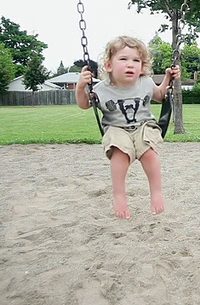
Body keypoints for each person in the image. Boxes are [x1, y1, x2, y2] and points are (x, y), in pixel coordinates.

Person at [76, 35, 180, 218]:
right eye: (123, 59)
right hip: (116, 128)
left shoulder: (146, 82)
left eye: (136, 60)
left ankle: (156, 192)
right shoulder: (100, 88)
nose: (130, 64)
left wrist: (168, 79)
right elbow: (84, 104)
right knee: (120, 153)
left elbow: (161, 95)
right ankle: (119, 195)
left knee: (149, 153)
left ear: (142, 66)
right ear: (109, 65)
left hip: (143, 126)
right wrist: (80, 88)